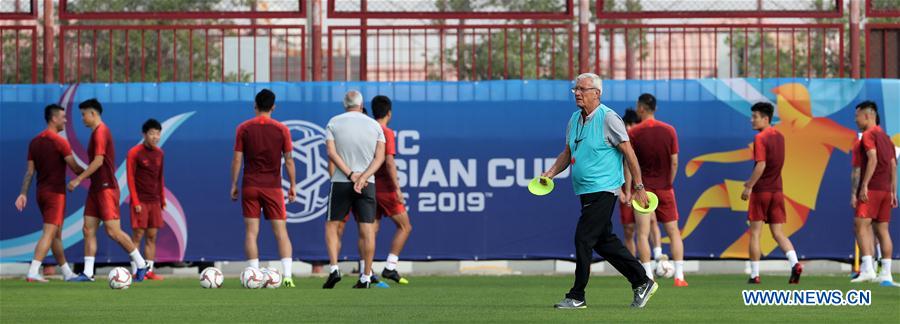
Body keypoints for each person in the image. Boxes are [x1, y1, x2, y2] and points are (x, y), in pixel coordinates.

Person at [542, 73, 657, 309]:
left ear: (597, 93)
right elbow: (567, 153)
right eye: (575, 89)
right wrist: (551, 173)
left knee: (583, 239)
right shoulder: (574, 119)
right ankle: (642, 281)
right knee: (604, 241)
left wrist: (638, 187)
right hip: (585, 191)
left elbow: (629, 153)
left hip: (604, 189)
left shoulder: (609, 118)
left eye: (583, 89)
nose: (577, 93)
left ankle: (577, 296)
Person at [66, 99, 148, 282]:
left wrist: (79, 179)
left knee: (113, 232)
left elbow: (98, 161)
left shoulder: (101, 132)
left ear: (93, 114)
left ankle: (141, 263)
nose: (82, 119)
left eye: (83, 114)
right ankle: (88, 273)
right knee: (88, 230)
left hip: (106, 188)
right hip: (96, 189)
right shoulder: (95, 133)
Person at [230, 89, 297, 288]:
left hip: (250, 185)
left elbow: (237, 159)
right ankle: (287, 277)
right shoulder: (281, 129)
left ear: (255, 105)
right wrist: (293, 185)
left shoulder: (243, 128)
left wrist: (234, 184)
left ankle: (254, 275)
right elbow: (290, 161)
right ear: (273, 106)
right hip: (273, 188)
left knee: (251, 232)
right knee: (281, 232)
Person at [323, 90, 385, 289]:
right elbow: (380, 157)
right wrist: (363, 177)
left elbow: (331, 153)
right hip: (367, 183)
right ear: (361, 104)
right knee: (367, 230)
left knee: (332, 226)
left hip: (341, 181)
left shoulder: (333, 122)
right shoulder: (374, 125)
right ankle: (366, 276)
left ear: (344, 104)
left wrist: (351, 175)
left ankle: (334, 268)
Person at [14, 104, 83, 282]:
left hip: (41, 194)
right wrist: (94, 171)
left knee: (56, 234)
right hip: (55, 195)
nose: (66, 120)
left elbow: (29, 172)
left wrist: (23, 193)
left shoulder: (35, 142)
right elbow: (75, 168)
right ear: (54, 119)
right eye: (63, 117)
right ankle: (33, 271)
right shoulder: (60, 142)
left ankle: (67, 273)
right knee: (49, 232)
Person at [628, 93, 688, 287]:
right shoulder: (669, 130)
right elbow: (675, 161)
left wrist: (630, 190)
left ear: (642, 108)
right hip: (665, 189)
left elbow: (630, 163)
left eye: (638, 106)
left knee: (643, 234)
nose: (637, 109)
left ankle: (648, 277)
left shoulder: (634, 132)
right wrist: (668, 182)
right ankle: (679, 276)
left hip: (643, 190)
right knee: (673, 232)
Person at [740, 102, 802, 284]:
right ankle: (795, 263)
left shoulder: (761, 138)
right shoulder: (780, 137)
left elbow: (761, 164)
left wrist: (749, 185)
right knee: (778, 233)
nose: (752, 120)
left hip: (761, 192)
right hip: (777, 191)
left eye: (755, 117)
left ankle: (754, 274)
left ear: (766, 119)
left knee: (755, 233)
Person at [850, 101, 897, 284]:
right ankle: (886, 274)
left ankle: (868, 269)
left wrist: (864, 185)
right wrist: (893, 190)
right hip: (885, 190)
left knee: (860, 225)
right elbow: (893, 166)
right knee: (882, 231)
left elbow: (873, 159)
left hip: (872, 189)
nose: (855, 120)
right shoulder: (887, 138)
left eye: (857, 116)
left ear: (868, 116)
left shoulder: (868, 135)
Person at [371, 95, 412, 285]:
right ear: (389, 113)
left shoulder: (367, 130)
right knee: (405, 226)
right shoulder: (386, 132)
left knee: (370, 230)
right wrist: (397, 189)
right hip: (386, 188)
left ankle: (367, 271)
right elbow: (389, 161)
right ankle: (390, 267)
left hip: (368, 186)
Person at [619, 108, 666, 270]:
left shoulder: (641, 140)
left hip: (644, 188)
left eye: (631, 125)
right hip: (626, 189)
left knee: (651, 221)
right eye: (626, 125)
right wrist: (622, 191)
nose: (628, 128)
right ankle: (632, 266)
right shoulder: (619, 142)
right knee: (629, 229)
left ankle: (659, 256)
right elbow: (618, 167)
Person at [126, 119, 166, 280]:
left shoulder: (160, 153)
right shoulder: (134, 152)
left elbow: (160, 178)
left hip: (154, 201)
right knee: (137, 237)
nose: (155, 137)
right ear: (144, 134)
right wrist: (135, 201)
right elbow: (129, 178)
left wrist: (162, 199)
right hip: (140, 202)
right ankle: (137, 271)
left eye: (158, 133)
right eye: (152, 133)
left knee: (152, 236)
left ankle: (148, 271)